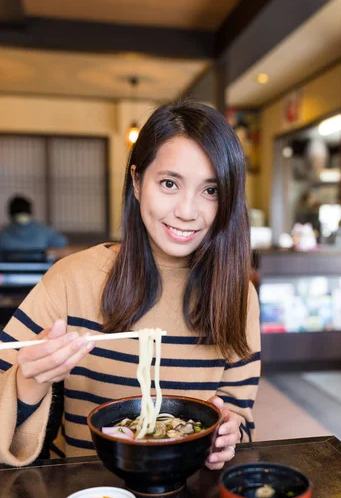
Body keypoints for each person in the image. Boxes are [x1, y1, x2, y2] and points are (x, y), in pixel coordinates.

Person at [0, 100, 261, 468]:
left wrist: (229, 434)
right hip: (80, 495)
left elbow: (240, 415)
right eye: (169, 183)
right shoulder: (72, 279)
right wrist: (29, 380)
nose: (187, 211)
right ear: (137, 182)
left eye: (211, 190)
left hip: (189, 497)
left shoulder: (238, 296)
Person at [0, 195, 67, 256]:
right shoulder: (43, 230)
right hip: (39, 268)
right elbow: (62, 242)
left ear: (10, 213)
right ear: (29, 211)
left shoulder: (4, 233)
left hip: (10, 268)